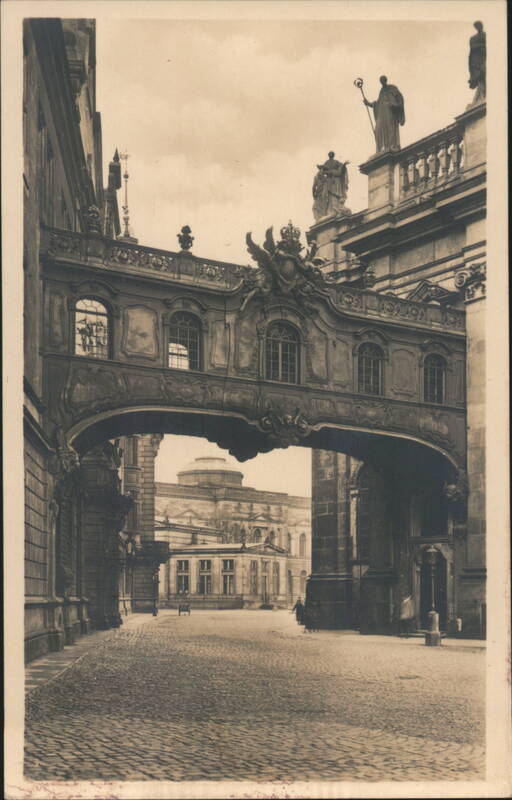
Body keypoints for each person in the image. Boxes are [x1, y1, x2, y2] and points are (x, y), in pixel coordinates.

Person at [364, 76, 405, 153]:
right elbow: (377, 103)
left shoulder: (392, 88)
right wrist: (368, 103)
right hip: (382, 113)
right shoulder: (381, 91)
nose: (382, 81)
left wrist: (398, 105)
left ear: (386, 80)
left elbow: (399, 97)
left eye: (383, 80)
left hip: (390, 111)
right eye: (381, 80)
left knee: (391, 127)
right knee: (378, 129)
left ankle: (392, 146)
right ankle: (382, 148)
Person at [312, 152, 349, 221]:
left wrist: (343, 165)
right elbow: (323, 172)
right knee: (330, 196)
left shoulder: (335, 163)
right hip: (330, 182)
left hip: (335, 182)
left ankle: (335, 209)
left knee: (333, 195)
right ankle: (331, 210)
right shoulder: (328, 163)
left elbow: (340, 171)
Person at [468, 21, 486, 102]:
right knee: (480, 77)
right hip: (476, 60)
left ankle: (481, 95)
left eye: (479, 25)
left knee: (484, 75)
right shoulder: (473, 38)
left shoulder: (485, 35)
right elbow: (472, 48)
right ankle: (481, 96)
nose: (478, 27)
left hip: (484, 57)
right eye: (477, 26)